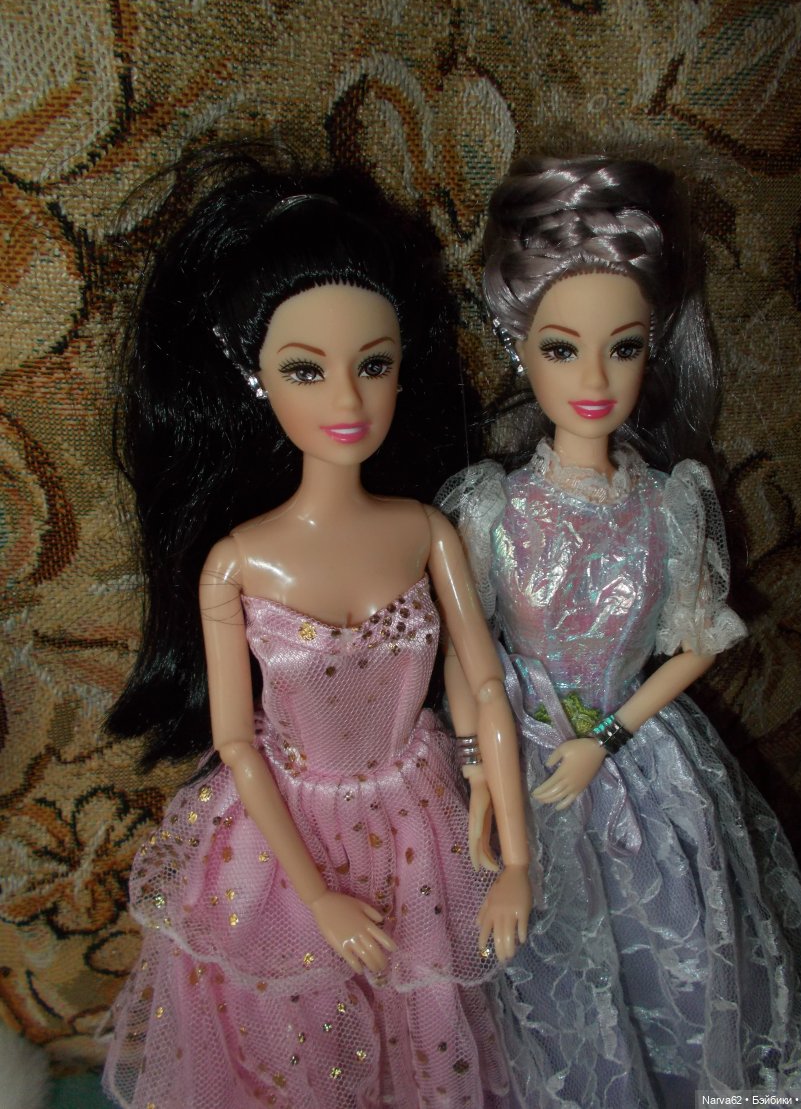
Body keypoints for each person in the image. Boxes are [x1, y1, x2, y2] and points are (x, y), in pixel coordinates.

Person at [102, 148, 531, 1109]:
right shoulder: (237, 562)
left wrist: (509, 844)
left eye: (373, 365)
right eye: (307, 369)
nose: (347, 401)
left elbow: (483, 684)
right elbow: (236, 745)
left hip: (419, 819)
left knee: (426, 1026)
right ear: (256, 380)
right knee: (299, 1042)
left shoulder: (426, 532)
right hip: (284, 834)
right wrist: (319, 894)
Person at [438, 154, 801, 1107]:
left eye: (621, 349)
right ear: (519, 347)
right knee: (546, 976)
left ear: (652, 349)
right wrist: (474, 770)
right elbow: (468, 654)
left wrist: (609, 736)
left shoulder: (670, 507)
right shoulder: (492, 508)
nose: (594, 378)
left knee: (673, 949)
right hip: (516, 755)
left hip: (641, 760)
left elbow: (699, 641)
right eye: (562, 349)